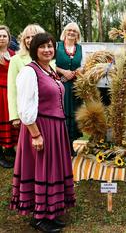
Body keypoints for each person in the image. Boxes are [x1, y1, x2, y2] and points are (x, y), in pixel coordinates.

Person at [10, 33, 75, 232]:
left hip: (55, 128)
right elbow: (25, 106)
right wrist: (36, 134)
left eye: (49, 46)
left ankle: (50, 212)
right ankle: (39, 217)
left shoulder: (49, 70)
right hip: (40, 127)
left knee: (51, 169)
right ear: (34, 50)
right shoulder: (30, 72)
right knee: (42, 169)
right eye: (42, 47)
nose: (47, 50)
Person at [8, 24, 45, 129]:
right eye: (27, 37)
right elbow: (12, 90)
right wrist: (15, 116)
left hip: (47, 111)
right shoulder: (16, 59)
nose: (30, 40)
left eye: (33, 36)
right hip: (27, 112)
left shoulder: (50, 59)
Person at [55, 22, 83, 156]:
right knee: (62, 112)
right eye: (69, 30)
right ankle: (60, 145)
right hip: (60, 85)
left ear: (77, 34)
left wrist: (75, 72)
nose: (71, 32)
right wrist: (63, 72)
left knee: (73, 112)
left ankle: (70, 144)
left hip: (74, 86)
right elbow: (49, 63)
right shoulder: (57, 46)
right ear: (65, 31)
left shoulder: (80, 48)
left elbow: (82, 66)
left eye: (74, 31)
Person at [0, 25, 19, 168]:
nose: (1, 38)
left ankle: (9, 148)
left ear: (9, 38)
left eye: (4, 36)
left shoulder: (14, 54)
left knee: (11, 119)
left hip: (11, 92)